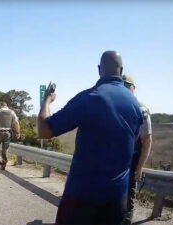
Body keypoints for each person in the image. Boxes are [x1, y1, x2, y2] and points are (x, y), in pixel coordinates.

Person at [38, 51, 143, 225]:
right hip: (117, 198)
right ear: (121, 70)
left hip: (82, 195)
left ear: (99, 69)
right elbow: (136, 141)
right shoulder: (134, 103)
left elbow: (44, 130)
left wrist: (47, 100)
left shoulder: (90, 97)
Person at [122, 75, 152, 225]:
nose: (126, 89)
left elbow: (146, 141)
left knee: (128, 199)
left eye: (128, 86)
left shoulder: (141, 109)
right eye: (123, 85)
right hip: (113, 161)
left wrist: (139, 168)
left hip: (131, 162)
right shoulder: (114, 105)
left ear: (134, 88)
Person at [0, 102, 20, 170]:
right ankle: (3, 165)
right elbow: (16, 123)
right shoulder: (12, 112)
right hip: (8, 133)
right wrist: (18, 133)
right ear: (7, 106)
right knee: (5, 149)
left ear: (1, 106)